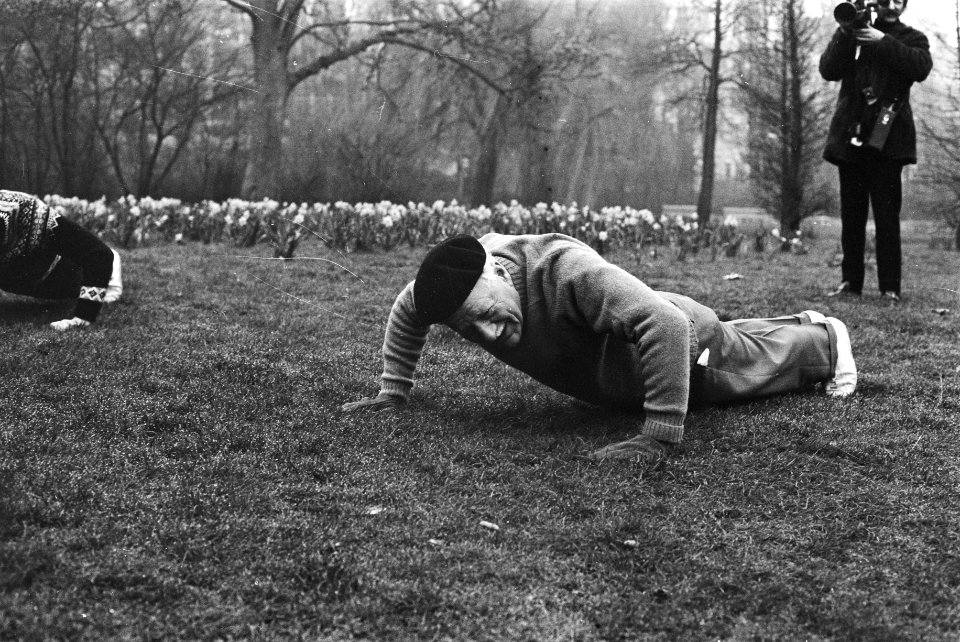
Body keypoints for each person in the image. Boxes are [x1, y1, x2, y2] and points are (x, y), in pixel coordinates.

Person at [341, 233, 857, 462]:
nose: (489, 337)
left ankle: (825, 338)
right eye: (470, 332)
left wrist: (657, 437)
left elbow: (667, 328)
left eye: (488, 319)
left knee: (749, 372)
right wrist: (393, 391)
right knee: (735, 345)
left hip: (680, 339)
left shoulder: (564, 268)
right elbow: (408, 309)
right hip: (631, 353)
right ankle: (796, 328)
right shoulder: (455, 283)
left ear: (500, 270)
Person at [820, 0, 932, 301]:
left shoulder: (911, 37)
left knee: (886, 218)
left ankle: (889, 287)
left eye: (899, 0)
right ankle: (850, 283)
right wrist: (845, 33)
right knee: (851, 216)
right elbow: (828, 70)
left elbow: (921, 67)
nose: (892, 5)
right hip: (852, 137)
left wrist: (882, 41)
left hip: (888, 139)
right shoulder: (854, 33)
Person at [0, 189, 122, 330]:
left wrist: (82, 318)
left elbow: (99, 254)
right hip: (18, 274)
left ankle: (112, 276)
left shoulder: (32, 214)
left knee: (92, 266)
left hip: (58, 276)